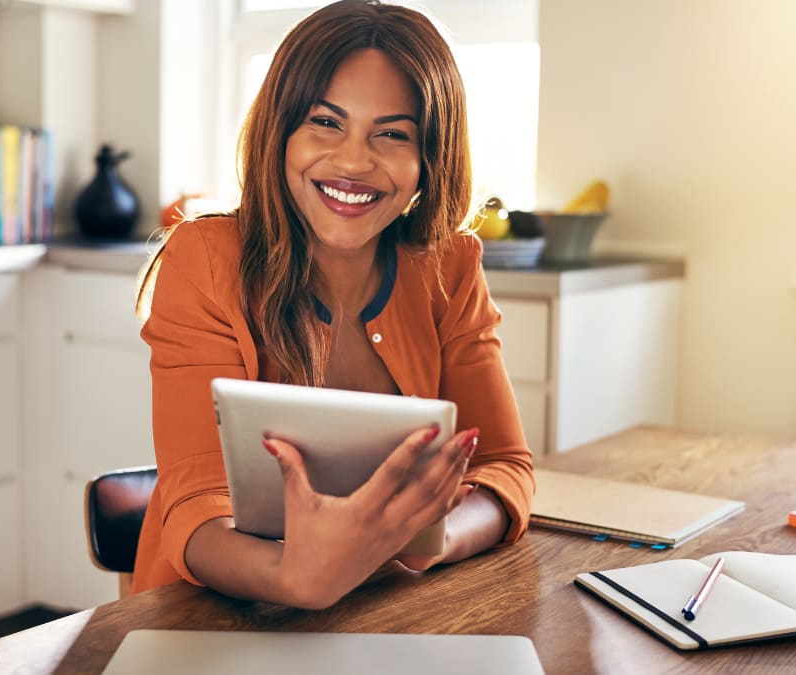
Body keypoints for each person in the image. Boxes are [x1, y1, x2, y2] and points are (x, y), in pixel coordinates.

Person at [132, 0, 534, 609]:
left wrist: (434, 538)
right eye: (325, 122)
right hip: (219, 615)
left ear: (431, 157)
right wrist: (297, 578)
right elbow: (195, 503)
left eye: (393, 134)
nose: (353, 161)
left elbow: (506, 468)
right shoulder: (206, 258)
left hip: (387, 605)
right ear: (279, 131)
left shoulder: (450, 266)